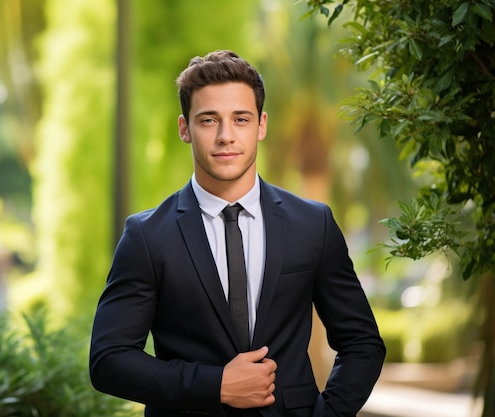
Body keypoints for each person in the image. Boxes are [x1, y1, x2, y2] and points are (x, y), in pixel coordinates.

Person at [89, 50, 385, 417]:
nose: (226, 136)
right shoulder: (147, 236)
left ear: (261, 125)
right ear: (185, 128)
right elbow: (109, 360)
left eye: (240, 119)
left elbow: (362, 343)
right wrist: (216, 386)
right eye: (209, 120)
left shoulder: (313, 224)